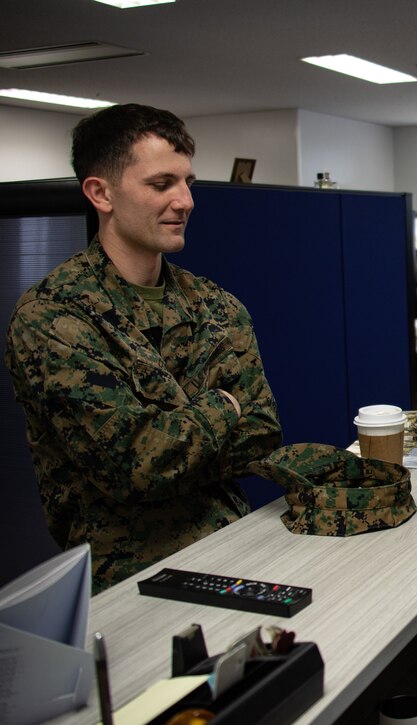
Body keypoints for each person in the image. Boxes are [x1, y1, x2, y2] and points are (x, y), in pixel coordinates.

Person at [5, 104, 282, 593]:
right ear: (100, 193)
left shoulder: (215, 305)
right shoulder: (54, 318)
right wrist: (222, 406)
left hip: (233, 548)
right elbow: (135, 468)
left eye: (187, 182)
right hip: (128, 580)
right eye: (161, 185)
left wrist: (170, 439)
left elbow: (261, 435)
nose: (186, 201)